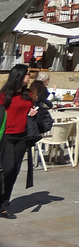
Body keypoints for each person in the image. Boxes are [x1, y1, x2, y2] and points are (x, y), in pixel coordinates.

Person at [0, 64, 38, 219]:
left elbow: (29, 109)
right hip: (7, 136)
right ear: (19, 76)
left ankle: (4, 205)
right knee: (7, 169)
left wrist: (32, 113)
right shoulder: (4, 95)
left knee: (15, 171)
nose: (30, 77)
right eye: (28, 74)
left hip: (22, 136)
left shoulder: (27, 94)